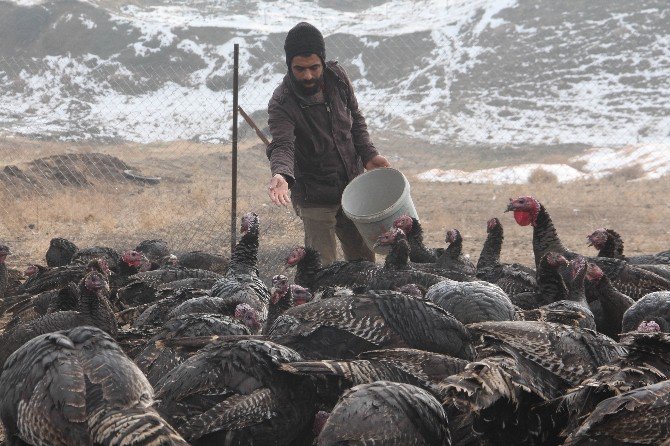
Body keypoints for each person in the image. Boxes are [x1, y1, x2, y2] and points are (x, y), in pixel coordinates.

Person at [265, 22, 391, 266]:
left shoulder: (337, 77)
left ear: (323, 61)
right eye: (299, 69)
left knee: (364, 264)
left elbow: (355, 119)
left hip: (352, 188)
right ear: (289, 65)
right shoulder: (282, 101)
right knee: (322, 271)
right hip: (314, 195)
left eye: (314, 67)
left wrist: (368, 155)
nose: (308, 75)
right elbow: (282, 145)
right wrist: (281, 174)